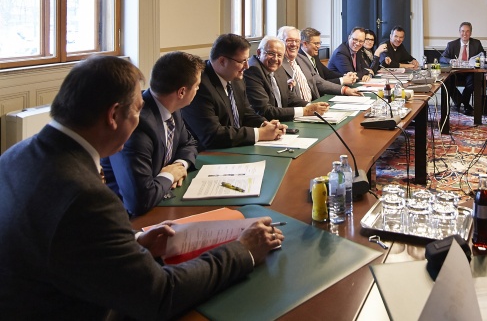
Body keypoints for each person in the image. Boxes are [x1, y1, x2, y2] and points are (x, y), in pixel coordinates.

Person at [0, 56, 284, 319]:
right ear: (113, 115)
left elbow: (61, 244)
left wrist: (131, 244)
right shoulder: (88, 197)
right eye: (137, 110)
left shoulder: (15, 155)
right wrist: (243, 250)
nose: (140, 118)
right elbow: (160, 295)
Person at [101, 51, 203, 216]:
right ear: (181, 92)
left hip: (162, 201)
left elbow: (189, 144)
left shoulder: (172, 109)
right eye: (197, 85)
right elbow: (139, 201)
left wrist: (179, 166)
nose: (198, 88)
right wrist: (169, 175)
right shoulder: (136, 124)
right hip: (128, 219)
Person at [182, 33, 286, 151]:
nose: (247, 66)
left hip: (235, 148)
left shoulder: (235, 78)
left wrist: (266, 125)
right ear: (222, 61)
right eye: (242, 61)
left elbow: (246, 113)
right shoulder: (200, 86)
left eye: (247, 60)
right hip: (208, 155)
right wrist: (260, 133)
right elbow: (212, 136)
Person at [244, 35, 330, 121]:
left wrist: (310, 106)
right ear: (259, 53)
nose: (275, 59)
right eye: (271, 54)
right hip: (264, 125)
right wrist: (305, 111)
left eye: (279, 55)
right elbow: (265, 110)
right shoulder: (252, 70)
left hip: (282, 121)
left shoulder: (277, 67)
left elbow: (288, 96)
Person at [277, 26, 362, 100]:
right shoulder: (276, 64)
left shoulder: (303, 59)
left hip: (314, 105)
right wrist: (307, 108)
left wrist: (345, 90)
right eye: (289, 40)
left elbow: (319, 82)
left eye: (297, 41)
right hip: (300, 110)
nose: (294, 44)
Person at [439, 21, 485, 115]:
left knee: (473, 81)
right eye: (463, 31)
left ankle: (460, 103)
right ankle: (463, 103)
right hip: (455, 73)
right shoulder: (452, 44)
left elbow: (482, 56)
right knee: (447, 81)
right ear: (459, 32)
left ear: (471, 33)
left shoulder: (476, 43)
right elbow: (442, 58)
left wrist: (477, 60)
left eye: (467, 31)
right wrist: (450, 61)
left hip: (470, 72)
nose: (465, 34)